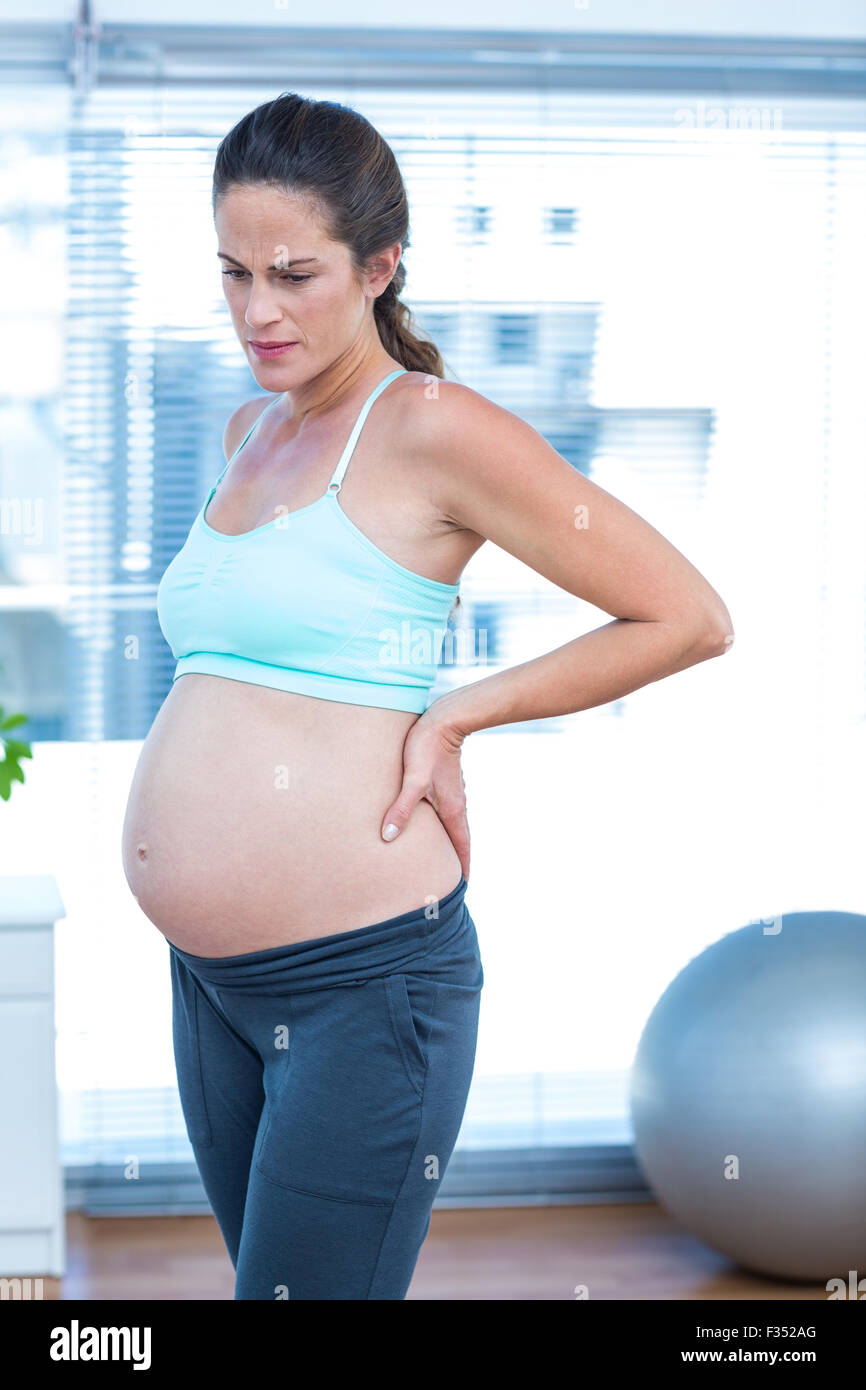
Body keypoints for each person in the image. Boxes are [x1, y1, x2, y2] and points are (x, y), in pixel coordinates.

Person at [121, 91, 733, 1300]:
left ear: (380, 266)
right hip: (213, 983)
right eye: (234, 272)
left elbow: (687, 615)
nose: (257, 309)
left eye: (294, 273)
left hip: (362, 988)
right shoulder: (252, 427)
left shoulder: (430, 430)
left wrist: (457, 713)